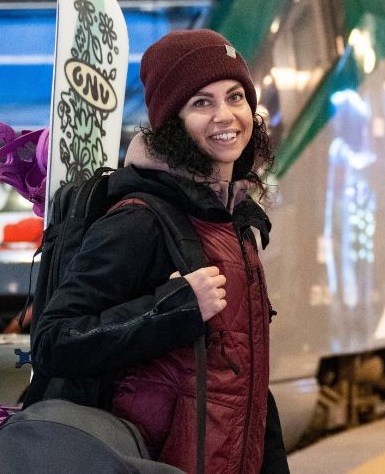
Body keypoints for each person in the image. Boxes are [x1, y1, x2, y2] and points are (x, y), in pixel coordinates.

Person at [30, 29, 288, 473]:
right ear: (172, 124)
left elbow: (246, 384)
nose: (226, 116)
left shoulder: (235, 220)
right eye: (201, 103)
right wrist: (172, 309)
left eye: (235, 97)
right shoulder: (141, 219)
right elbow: (54, 340)